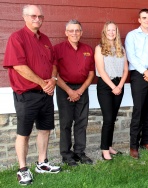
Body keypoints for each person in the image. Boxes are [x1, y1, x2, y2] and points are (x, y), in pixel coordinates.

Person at [3, 4, 61, 185]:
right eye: (33, 16)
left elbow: (53, 62)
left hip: (46, 93)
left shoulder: (44, 39)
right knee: (24, 133)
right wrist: (43, 83)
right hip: (27, 94)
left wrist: (52, 79)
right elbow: (19, 66)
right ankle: (22, 169)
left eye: (40, 17)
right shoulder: (17, 38)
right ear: (25, 17)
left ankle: (42, 163)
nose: (37, 19)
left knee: (45, 129)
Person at [54, 19, 94, 166]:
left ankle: (79, 152)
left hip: (82, 88)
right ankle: (66, 154)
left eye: (77, 30)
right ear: (66, 33)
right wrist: (70, 91)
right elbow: (55, 74)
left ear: (81, 32)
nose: (74, 33)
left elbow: (91, 73)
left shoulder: (88, 49)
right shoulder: (57, 49)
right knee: (66, 123)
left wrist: (81, 90)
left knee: (81, 122)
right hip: (64, 89)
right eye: (71, 30)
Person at [125, 9, 148, 159]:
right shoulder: (132, 36)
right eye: (144, 18)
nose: (147, 20)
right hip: (139, 75)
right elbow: (131, 56)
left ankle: (146, 141)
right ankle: (133, 145)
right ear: (139, 20)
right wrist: (144, 71)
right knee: (139, 110)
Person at [95, 21, 128, 160]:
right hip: (105, 85)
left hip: (119, 84)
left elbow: (126, 69)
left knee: (112, 118)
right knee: (108, 118)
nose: (111, 32)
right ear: (104, 32)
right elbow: (101, 70)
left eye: (113, 30)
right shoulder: (99, 48)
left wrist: (119, 85)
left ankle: (109, 146)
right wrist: (113, 87)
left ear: (117, 32)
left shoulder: (121, 48)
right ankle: (104, 150)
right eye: (109, 30)